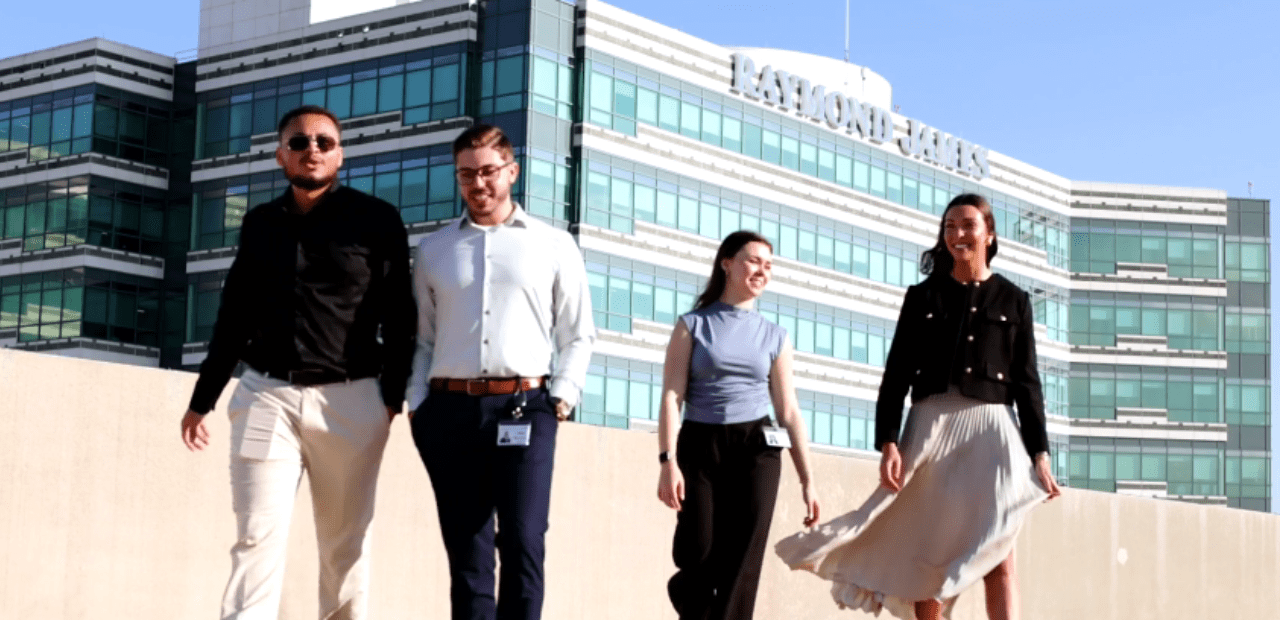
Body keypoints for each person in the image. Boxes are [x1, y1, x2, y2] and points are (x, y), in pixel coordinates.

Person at [179, 104, 416, 619]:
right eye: (300, 142)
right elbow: (234, 316)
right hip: (267, 394)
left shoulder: (376, 220)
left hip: (351, 399)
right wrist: (203, 400)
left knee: (345, 546)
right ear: (280, 154)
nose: (313, 150)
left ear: (340, 153)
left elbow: (402, 314)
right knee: (255, 539)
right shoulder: (261, 223)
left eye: (325, 142)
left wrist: (392, 397)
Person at [776, 193, 1062, 620]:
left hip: (993, 433)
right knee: (928, 558)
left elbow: (1027, 382)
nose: (957, 234)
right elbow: (896, 375)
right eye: (949, 226)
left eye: (967, 225)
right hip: (931, 428)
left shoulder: (1014, 300)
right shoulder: (923, 297)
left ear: (989, 234)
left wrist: (1040, 453)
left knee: (999, 555)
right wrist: (888, 441)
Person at [407, 123, 595, 620]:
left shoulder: (554, 245)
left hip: (527, 408)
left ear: (512, 171)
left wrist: (561, 397)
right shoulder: (434, 251)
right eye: (466, 174)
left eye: (489, 171)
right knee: (467, 549)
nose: (478, 183)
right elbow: (422, 339)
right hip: (447, 411)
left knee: (524, 539)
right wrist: (418, 405)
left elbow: (577, 335)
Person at [656, 230, 821, 620]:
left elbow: (789, 410)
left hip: (757, 447)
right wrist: (667, 461)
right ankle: (688, 595)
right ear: (727, 264)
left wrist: (807, 479)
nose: (762, 270)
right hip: (700, 442)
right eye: (753, 260)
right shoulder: (693, 325)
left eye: (768, 265)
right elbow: (671, 397)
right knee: (697, 549)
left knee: (743, 559)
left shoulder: (775, 335)